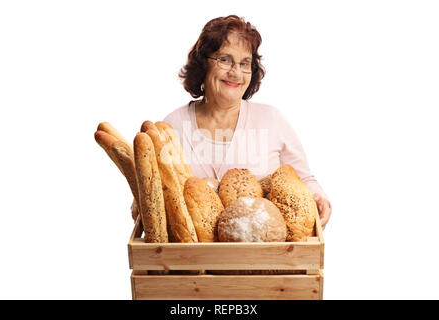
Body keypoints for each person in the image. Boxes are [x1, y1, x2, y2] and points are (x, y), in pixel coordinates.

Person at [135, 15, 332, 229]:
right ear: (203, 65)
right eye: (225, 59)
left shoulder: (271, 120)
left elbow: (304, 180)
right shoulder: (173, 125)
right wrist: (140, 203)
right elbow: (153, 189)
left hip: (264, 259)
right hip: (188, 260)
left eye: (244, 63)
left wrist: (319, 198)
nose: (236, 72)